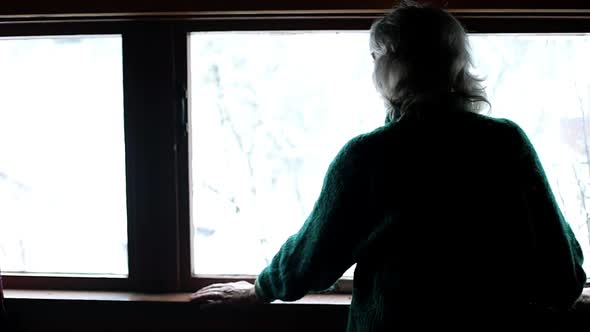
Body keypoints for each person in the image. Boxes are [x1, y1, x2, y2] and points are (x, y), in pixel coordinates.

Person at [191, 1, 586, 330]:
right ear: (457, 65)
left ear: (389, 67)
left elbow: (312, 257)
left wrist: (258, 290)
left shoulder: (370, 156)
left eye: (376, 57)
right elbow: (562, 275)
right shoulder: (505, 144)